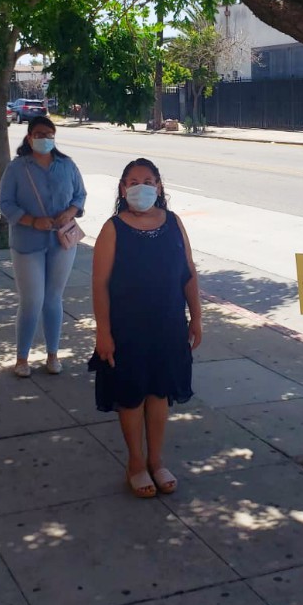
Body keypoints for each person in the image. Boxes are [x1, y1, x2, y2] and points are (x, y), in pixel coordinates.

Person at [91, 158, 201, 498]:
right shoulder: (113, 229)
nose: (141, 186)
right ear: (123, 189)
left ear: (159, 186)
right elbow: (100, 285)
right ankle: (136, 463)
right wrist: (103, 333)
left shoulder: (174, 223)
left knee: (159, 394)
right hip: (127, 329)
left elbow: (189, 273)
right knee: (131, 396)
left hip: (168, 325)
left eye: (148, 180)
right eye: (134, 181)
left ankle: (156, 460)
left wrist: (196, 316)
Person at [0, 116, 86, 377]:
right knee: (32, 299)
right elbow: (5, 203)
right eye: (39, 134)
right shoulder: (17, 168)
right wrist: (32, 221)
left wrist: (70, 211)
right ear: (29, 137)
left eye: (49, 134)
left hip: (62, 242)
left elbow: (80, 195)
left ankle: (52, 354)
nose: (45, 138)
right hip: (27, 243)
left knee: (53, 298)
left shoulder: (67, 165)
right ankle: (22, 358)